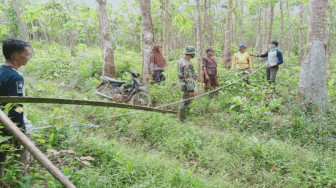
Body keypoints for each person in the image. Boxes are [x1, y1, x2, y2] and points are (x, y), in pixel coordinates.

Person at [0, 39, 32, 176]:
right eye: (27, 54)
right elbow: (15, 107)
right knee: (20, 163)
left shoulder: (1, 71)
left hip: (2, 127)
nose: (29, 57)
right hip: (11, 128)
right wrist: (20, 133)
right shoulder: (15, 77)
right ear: (16, 56)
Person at [177, 46, 197, 122]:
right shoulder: (187, 64)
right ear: (191, 54)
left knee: (184, 100)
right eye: (193, 54)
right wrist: (191, 90)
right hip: (186, 86)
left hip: (182, 84)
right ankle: (183, 120)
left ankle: (184, 117)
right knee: (185, 101)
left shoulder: (181, 60)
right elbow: (188, 78)